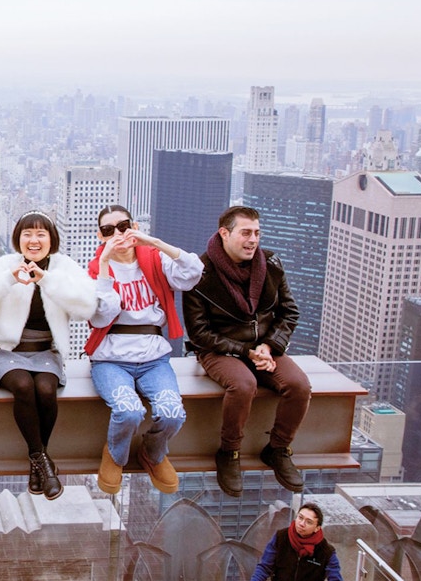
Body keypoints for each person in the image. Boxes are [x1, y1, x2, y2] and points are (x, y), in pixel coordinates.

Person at [0, 210, 97, 500]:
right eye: (27, 234)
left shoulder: (63, 267)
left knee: (46, 389)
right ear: (18, 239)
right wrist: (7, 281)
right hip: (6, 351)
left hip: (45, 350)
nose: (34, 240)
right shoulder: (5, 265)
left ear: (51, 239)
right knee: (23, 385)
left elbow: (87, 305)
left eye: (40, 234)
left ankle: (38, 464)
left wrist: (46, 280)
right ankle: (43, 463)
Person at [184, 206, 310, 497]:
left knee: (299, 385)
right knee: (243, 385)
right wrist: (245, 351)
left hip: (265, 347)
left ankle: (278, 448)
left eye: (257, 233)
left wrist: (269, 346)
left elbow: (289, 311)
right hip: (219, 349)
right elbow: (200, 333)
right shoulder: (200, 274)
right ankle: (229, 453)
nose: (253, 239)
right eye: (245, 233)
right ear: (225, 234)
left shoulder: (270, 265)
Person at [86, 205, 203, 495]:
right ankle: (116, 455)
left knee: (173, 412)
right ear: (100, 236)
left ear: (134, 226)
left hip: (154, 358)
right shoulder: (94, 270)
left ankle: (153, 453)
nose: (118, 234)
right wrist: (104, 265)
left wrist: (154, 242)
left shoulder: (155, 260)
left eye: (123, 226)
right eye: (108, 231)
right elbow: (101, 315)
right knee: (128, 411)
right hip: (110, 359)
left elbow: (193, 273)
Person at [250, 503, 344, 581]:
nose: (301, 524)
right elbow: (264, 567)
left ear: (317, 528)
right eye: (300, 517)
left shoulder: (326, 551)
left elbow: (335, 577)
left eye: (309, 522)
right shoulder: (281, 537)